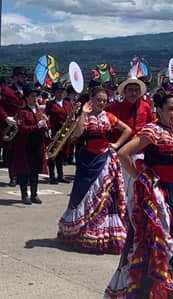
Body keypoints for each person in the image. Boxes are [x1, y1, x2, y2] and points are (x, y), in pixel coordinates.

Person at [106, 92, 173, 299]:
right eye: (171, 109)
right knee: (159, 242)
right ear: (159, 110)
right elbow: (123, 153)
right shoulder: (152, 131)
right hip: (161, 198)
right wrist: (142, 178)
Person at [57, 86, 130, 253]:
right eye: (99, 100)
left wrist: (117, 145)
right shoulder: (85, 117)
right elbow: (76, 135)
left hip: (104, 158)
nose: (102, 103)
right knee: (81, 194)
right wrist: (83, 113)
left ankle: (103, 234)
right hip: (87, 159)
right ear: (91, 99)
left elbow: (127, 130)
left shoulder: (109, 117)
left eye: (104, 100)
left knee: (105, 196)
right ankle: (81, 231)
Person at [11, 88, 49, 204]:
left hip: (38, 143)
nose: (35, 98)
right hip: (26, 143)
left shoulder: (40, 112)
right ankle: (24, 195)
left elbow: (44, 125)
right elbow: (22, 129)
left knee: (35, 170)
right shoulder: (22, 112)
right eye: (32, 96)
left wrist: (47, 128)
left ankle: (34, 194)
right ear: (26, 98)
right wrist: (37, 126)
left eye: (36, 96)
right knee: (24, 170)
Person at [46, 85, 73, 184]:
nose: (60, 93)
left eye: (62, 92)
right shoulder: (50, 104)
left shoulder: (67, 103)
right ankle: (52, 176)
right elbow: (46, 117)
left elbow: (71, 116)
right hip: (54, 131)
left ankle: (60, 175)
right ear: (54, 93)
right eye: (58, 92)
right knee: (53, 154)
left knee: (61, 155)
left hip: (64, 131)